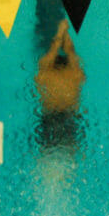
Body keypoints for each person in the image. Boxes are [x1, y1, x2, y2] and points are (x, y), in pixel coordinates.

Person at [35, 19, 85, 148]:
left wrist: (60, 33)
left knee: (48, 153)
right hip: (70, 118)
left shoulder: (45, 75)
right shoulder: (75, 75)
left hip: (49, 118)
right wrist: (64, 32)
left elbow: (48, 60)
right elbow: (71, 51)